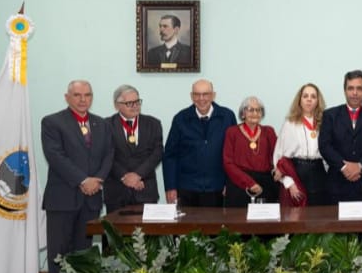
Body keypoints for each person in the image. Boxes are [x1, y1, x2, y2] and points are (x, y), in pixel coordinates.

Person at [40, 80, 113, 273]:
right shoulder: (52, 122)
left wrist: (97, 180)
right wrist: (83, 180)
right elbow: (55, 156)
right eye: (77, 95)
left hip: (91, 199)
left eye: (87, 95)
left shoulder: (102, 124)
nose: (83, 100)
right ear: (67, 97)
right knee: (59, 252)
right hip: (62, 199)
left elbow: (109, 154)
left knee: (85, 253)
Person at [162, 79, 236, 207]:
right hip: (187, 188)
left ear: (213, 95)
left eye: (205, 94)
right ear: (191, 96)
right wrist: (170, 187)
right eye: (197, 94)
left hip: (218, 188)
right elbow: (170, 156)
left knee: (216, 221)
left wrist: (230, 183)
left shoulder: (227, 117)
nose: (201, 99)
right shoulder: (180, 118)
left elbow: (234, 154)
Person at [319, 70, 362, 203]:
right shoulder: (330, 115)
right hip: (337, 185)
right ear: (344, 90)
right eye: (350, 88)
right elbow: (324, 146)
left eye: (359, 88)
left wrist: (360, 165)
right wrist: (344, 167)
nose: (355, 93)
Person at [104, 84, 162, 213]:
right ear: (117, 105)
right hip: (116, 192)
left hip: (145, 190)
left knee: (147, 227)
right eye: (129, 103)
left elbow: (157, 153)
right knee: (114, 226)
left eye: (137, 102)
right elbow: (106, 155)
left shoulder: (153, 124)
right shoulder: (105, 125)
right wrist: (124, 176)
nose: (135, 106)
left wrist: (138, 175)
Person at [273, 83, 325, 206]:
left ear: (318, 101)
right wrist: (289, 183)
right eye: (305, 96)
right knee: (297, 214)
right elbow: (279, 157)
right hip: (297, 172)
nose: (309, 99)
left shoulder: (324, 123)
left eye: (313, 96)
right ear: (299, 100)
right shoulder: (290, 123)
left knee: (319, 213)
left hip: (319, 173)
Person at [222, 97, 279, 207]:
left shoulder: (269, 131)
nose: (255, 113)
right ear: (243, 113)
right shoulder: (232, 132)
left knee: (265, 218)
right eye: (251, 110)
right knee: (238, 217)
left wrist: (279, 169)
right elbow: (228, 163)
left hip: (264, 185)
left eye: (258, 110)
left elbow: (278, 155)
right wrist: (249, 183)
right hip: (239, 184)